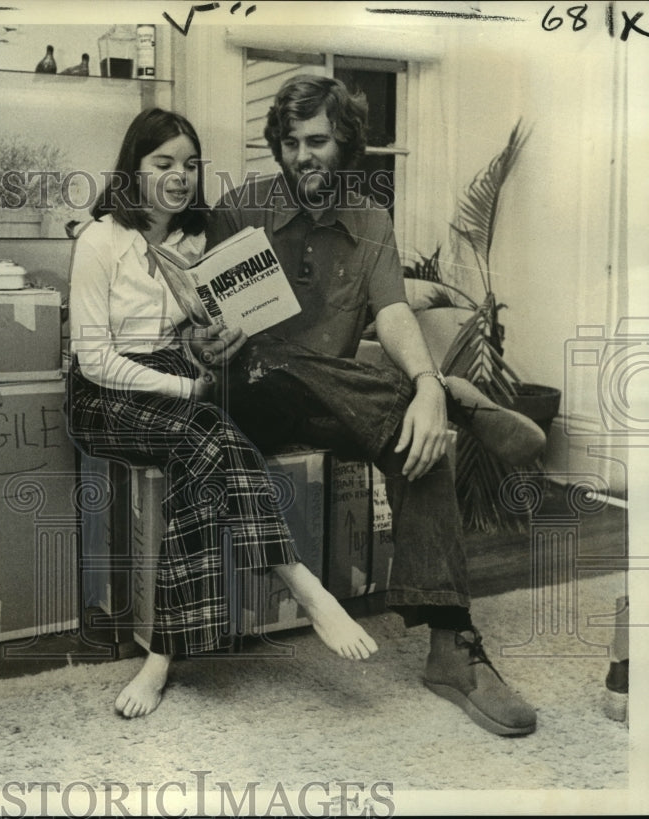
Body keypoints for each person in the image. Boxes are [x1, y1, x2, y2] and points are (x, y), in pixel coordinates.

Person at [202, 75, 546, 736]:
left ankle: (452, 646)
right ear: (279, 146)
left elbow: (390, 312)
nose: (304, 154)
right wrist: (205, 332)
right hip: (253, 396)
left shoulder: (370, 220)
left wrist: (421, 384)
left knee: (422, 441)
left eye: (319, 140)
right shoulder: (240, 208)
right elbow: (196, 308)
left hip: (341, 402)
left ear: (346, 144)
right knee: (279, 361)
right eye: (292, 141)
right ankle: (452, 397)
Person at [66, 108, 379, 719]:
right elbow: (96, 359)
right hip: (104, 397)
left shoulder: (199, 240)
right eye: (164, 163)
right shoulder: (100, 240)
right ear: (134, 167)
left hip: (184, 389)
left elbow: (213, 326)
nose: (180, 176)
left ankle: (161, 657)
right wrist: (185, 389)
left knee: (202, 456)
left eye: (190, 164)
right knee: (211, 428)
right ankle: (296, 576)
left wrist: (214, 341)